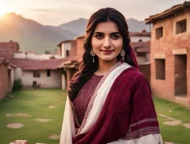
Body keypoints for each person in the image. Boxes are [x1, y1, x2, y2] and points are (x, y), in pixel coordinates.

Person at [60, 7, 163, 144]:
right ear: (90, 41)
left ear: (123, 42)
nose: (107, 44)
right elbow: (70, 129)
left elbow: (146, 137)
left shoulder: (134, 80)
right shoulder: (78, 80)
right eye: (99, 36)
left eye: (114, 36)